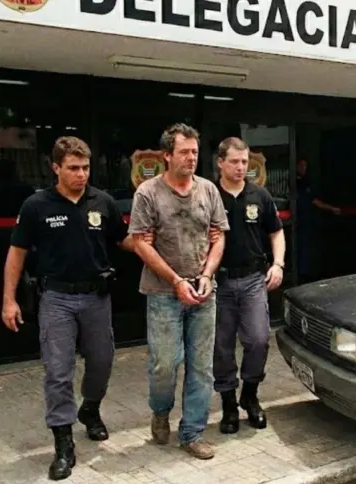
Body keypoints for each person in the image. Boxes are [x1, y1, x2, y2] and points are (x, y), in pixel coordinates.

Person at [1, 136, 134, 481]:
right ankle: (63, 442)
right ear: (56, 168)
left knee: (102, 362)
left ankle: (90, 410)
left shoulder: (102, 201)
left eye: (85, 167)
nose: (81, 174)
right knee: (58, 371)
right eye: (73, 168)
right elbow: (17, 253)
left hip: (96, 298)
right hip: (56, 299)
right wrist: (9, 299)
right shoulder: (36, 206)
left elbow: (124, 240)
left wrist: (159, 239)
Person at [128, 123, 228, 460]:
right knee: (164, 364)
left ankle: (192, 433)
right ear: (167, 155)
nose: (191, 158)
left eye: (195, 152)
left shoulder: (209, 191)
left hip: (203, 292)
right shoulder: (148, 193)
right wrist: (176, 281)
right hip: (162, 293)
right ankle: (160, 411)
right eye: (184, 152)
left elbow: (219, 235)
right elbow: (141, 242)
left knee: (201, 367)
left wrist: (207, 274)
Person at [209, 137, 286, 434]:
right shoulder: (209, 194)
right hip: (220, 282)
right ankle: (228, 404)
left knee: (258, 340)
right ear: (220, 162)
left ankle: (250, 395)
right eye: (235, 162)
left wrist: (277, 264)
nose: (241, 167)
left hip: (254, 279)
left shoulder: (260, 195)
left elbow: (276, 232)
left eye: (245, 162)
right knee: (221, 346)